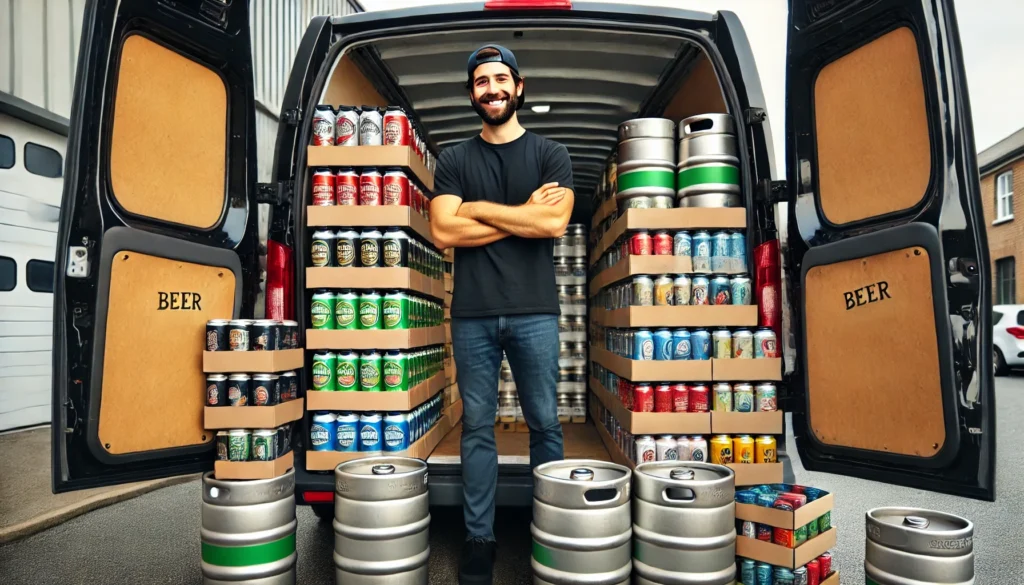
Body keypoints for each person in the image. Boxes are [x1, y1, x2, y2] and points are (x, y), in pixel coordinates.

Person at [428, 44, 574, 585]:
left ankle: (552, 524)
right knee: (478, 428)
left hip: (535, 311)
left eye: (500, 79)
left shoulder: (551, 153)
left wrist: (477, 208)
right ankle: (479, 539)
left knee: (545, 423)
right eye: (481, 82)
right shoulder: (454, 159)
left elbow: (553, 226)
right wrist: (523, 214)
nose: (492, 89)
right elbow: (443, 231)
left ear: (519, 86)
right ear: (471, 93)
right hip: (473, 314)